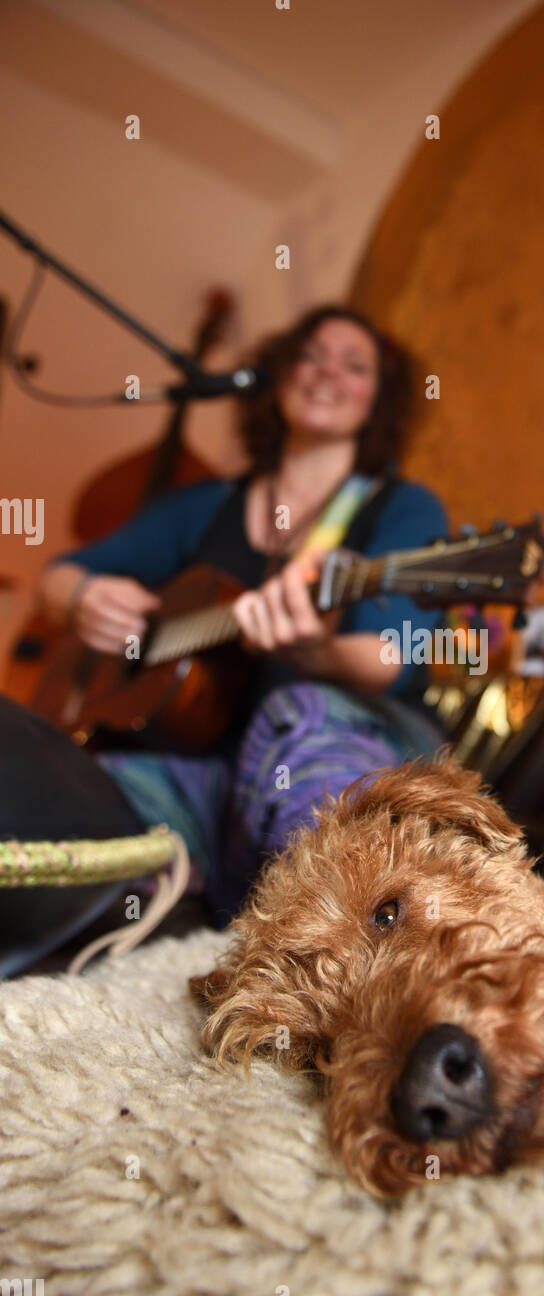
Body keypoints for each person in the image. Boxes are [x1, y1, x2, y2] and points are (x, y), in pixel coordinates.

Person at [36, 306, 449, 920]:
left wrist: (312, 651)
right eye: (309, 355)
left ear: (378, 402)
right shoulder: (207, 503)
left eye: (354, 365)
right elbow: (60, 573)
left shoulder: (404, 509)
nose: (326, 372)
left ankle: (349, 925)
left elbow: (389, 657)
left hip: (345, 747)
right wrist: (80, 600)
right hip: (213, 774)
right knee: (61, 787)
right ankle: (234, 887)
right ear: (277, 376)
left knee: (298, 713)